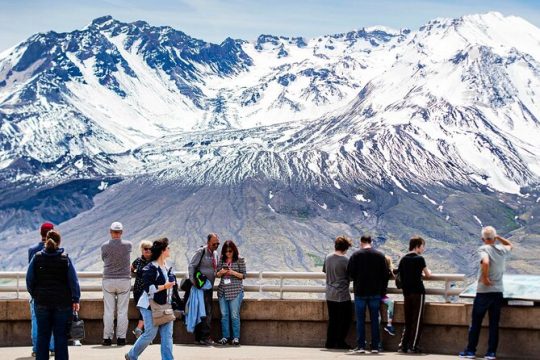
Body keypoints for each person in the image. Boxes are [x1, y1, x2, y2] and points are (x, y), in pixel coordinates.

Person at [26, 229, 81, 360]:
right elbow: (73, 281)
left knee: (42, 336)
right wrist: (75, 299)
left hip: (42, 302)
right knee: (61, 337)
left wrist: (36, 294)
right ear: (59, 242)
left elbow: (29, 280)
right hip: (62, 303)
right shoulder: (65, 259)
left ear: (45, 240)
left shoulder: (37, 258)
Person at [459, 227, 513, 360]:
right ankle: (491, 353)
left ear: (483, 239)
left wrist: (485, 277)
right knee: (494, 324)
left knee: (476, 322)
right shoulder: (502, 250)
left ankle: (471, 351)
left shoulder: (483, 249)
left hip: (484, 292)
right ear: (494, 238)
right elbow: (510, 245)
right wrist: (498, 237)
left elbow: (485, 262)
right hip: (498, 292)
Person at [125, 237, 177, 360]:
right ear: (162, 251)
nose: (169, 250)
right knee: (150, 334)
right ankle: (132, 355)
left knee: (167, 335)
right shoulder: (150, 268)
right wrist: (165, 286)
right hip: (149, 305)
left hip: (165, 305)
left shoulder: (167, 266)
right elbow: (149, 288)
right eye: (167, 248)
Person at [346, 235, 389, 354]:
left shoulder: (356, 255)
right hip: (375, 292)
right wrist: (382, 291)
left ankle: (361, 346)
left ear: (361, 242)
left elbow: (350, 274)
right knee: (375, 319)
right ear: (371, 242)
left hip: (360, 292)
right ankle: (375, 346)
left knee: (360, 320)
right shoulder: (380, 255)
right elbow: (385, 275)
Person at [397, 236, 432, 354]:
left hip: (406, 293)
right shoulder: (420, 259)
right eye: (422, 246)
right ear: (417, 246)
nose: (423, 249)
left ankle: (403, 345)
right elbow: (428, 275)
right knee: (417, 320)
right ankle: (413, 346)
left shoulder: (403, 259)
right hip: (418, 292)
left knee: (408, 319)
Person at [101, 221, 132, 346]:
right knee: (122, 311)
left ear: (110, 231)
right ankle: (121, 338)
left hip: (108, 279)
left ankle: (107, 338)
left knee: (108, 311)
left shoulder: (104, 246)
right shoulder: (128, 245)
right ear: (122, 232)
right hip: (124, 280)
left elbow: (104, 258)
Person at [28, 222, 56, 357]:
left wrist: (32, 291)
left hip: (37, 292)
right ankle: (52, 347)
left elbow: (30, 273)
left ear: (41, 233)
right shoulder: (57, 251)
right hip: (53, 292)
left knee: (36, 321)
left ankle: (36, 348)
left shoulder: (32, 250)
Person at [188, 233, 220, 345]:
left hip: (209, 287)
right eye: (214, 243)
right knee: (204, 312)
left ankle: (201, 338)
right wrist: (193, 281)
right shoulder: (201, 251)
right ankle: (204, 338)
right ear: (208, 242)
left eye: (218, 243)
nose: (216, 245)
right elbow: (192, 265)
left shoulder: (215, 253)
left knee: (206, 311)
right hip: (200, 287)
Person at [322, 236, 353, 350]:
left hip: (330, 293)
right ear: (345, 248)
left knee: (333, 319)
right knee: (345, 319)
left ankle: (329, 342)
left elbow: (325, 270)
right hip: (342, 294)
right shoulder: (346, 260)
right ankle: (340, 341)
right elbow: (351, 277)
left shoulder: (328, 257)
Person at [216, 240, 247, 346]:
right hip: (223, 291)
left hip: (235, 290)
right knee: (224, 315)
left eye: (230, 251)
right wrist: (222, 272)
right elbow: (217, 274)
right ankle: (225, 337)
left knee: (234, 315)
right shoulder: (221, 260)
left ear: (234, 250)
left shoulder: (240, 260)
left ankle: (236, 338)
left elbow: (243, 275)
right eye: (226, 251)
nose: (228, 253)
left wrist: (232, 272)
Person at [131, 240, 153, 338]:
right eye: (145, 249)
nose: (148, 251)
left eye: (150, 249)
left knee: (147, 310)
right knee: (142, 310)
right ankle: (143, 334)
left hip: (150, 291)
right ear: (142, 250)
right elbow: (131, 269)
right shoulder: (138, 261)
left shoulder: (154, 261)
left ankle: (139, 330)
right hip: (138, 289)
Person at [381, 255, 396, 337]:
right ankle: (389, 324)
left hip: (375, 295)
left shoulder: (377, 270)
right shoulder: (388, 271)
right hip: (381, 296)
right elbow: (395, 275)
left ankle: (389, 325)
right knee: (391, 302)